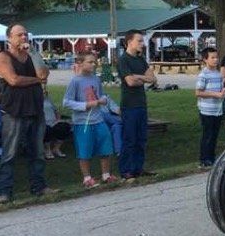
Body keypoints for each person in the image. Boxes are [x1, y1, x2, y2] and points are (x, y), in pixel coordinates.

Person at [0, 22, 56, 203]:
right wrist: (36, 80)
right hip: (14, 111)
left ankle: (38, 187)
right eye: (19, 35)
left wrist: (33, 53)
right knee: (10, 154)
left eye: (25, 35)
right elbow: (13, 80)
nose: (24, 38)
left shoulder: (32, 55)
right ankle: (4, 192)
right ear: (9, 38)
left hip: (36, 110)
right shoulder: (3, 56)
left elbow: (43, 74)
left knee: (37, 152)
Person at [63, 53, 117, 188]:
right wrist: (85, 105)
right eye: (90, 62)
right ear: (80, 63)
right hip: (83, 122)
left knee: (106, 145)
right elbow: (66, 102)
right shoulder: (75, 81)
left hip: (98, 119)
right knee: (84, 150)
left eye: (95, 62)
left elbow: (100, 94)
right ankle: (87, 178)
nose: (94, 64)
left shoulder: (95, 79)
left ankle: (106, 175)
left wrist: (103, 99)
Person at [118, 30, 157, 182]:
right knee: (130, 139)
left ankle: (138, 168)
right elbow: (130, 82)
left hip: (141, 104)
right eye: (139, 41)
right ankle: (126, 170)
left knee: (141, 139)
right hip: (129, 105)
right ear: (129, 42)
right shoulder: (124, 60)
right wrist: (141, 78)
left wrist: (138, 76)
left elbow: (152, 78)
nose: (142, 44)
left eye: (142, 41)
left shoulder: (141, 60)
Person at [195, 47, 225, 167]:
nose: (215, 60)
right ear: (205, 59)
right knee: (207, 135)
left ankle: (211, 158)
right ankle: (204, 159)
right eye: (212, 58)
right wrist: (216, 94)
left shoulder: (218, 74)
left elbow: (219, 91)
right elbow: (198, 92)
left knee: (214, 135)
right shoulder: (203, 74)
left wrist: (223, 92)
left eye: (216, 57)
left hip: (217, 110)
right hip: (206, 111)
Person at [42, 84, 72, 159]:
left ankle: (56, 148)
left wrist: (58, 120)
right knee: (47, 129)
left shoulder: (48, 100)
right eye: (43, 91)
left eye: (45, 90)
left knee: (65, 127)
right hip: (43, 123)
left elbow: (56, 111)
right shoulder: (35, 101)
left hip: (53, 122)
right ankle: (47, 150)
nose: (45, 92)